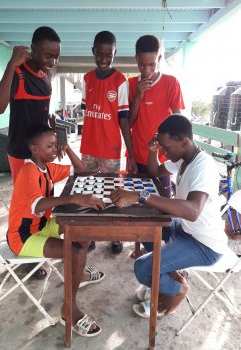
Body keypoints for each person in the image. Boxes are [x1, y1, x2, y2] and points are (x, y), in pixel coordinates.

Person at [111, 114, 228, 317]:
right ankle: (164, 278)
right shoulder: (183, 158)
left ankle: (177, 290)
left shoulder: (204, 166)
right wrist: (152, 151)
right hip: (185, 229)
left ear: (184, 141)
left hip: (204, 244)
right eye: (162, 148)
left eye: (166, 148)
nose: (164, 151)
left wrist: (141, 196)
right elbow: (155, 171)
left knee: (142, 268)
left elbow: (192, 211)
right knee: (145, 228)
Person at [7, 124, 105, 337]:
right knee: (77, 251)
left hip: (42, 226)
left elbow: (82, 169)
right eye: (49, 145)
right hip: (23, 237)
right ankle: (69, 310)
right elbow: (38, 205)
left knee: (83, 229)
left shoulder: (47, 167)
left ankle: (79, 272)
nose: (54, 149)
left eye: (55, 144)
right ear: (34, 148)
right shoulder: (27, 171)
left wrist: (67, 148)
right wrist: (73, 198)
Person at [80, 30, 137, 254]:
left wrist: (130, 152)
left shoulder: (120, 80)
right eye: (100, 55)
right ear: (93, 52)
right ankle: (92, 233)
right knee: (90, 191)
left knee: (113, 193)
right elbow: (88, 113)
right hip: (88, 149)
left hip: (111, 150)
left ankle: (115, 236)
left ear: (114, 54)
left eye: (109, 56)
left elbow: (123, 119)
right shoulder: (87, 79)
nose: (104, 60)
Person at [0, 26, 61, 184]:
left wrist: (51, 130)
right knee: (26, 200)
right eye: (48, 56)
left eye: (56, 57)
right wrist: (11, 65)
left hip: (43, 152)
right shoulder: (18, 74)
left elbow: (40, 111)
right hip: (21, 152)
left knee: (44, 193)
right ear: (33, 49)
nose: (53, 62)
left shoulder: (46, 74)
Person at [128, 35, 185, 197]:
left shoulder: (171, 83)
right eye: (141, 65)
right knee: (136, 205)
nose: (146, 70)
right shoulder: (131, 85)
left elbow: (178, 121)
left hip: (163, 160)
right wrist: (138, 97)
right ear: (136, 59)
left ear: (159, 58)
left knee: (162, 206)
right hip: (138, 157)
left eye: (152, 64)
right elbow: (128, 124)